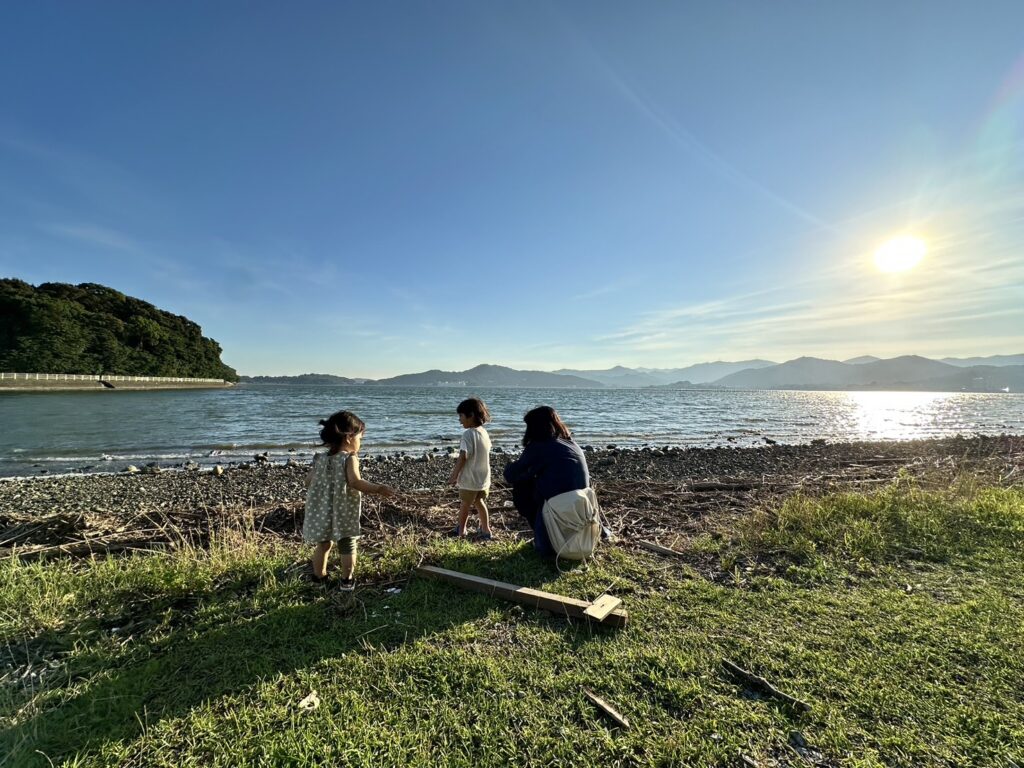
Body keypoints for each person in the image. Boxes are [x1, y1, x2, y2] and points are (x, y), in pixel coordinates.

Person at [304, 410, 395, 590]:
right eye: (360, 438)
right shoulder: (349, 458)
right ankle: (347, 580)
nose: (360, 443)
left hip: (320, 508)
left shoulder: (319, 459)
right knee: (347, 543)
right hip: (343, 509)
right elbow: (355, 482)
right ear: (349, 438)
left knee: (323, 543)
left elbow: (308, 482)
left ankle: (319, 578)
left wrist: (323, 490)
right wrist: (378, 489)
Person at [503, 405, 590, 556]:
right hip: (582, 503)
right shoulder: (570, 443)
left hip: (558, 504)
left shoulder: (540, 446)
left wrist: (515, 468)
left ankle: (543, 540)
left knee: (521, 486)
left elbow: (511, 474)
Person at [448, 397, 493, 540]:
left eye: (461, 416)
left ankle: (461, 531)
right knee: (480, 502)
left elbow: (463, 456)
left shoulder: (467, 434)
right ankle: (486, 530)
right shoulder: (484, 432)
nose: (459, 420)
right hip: (483, 478)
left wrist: (454, 475)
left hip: (470, 478)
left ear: (471, 415)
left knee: (465, 505)